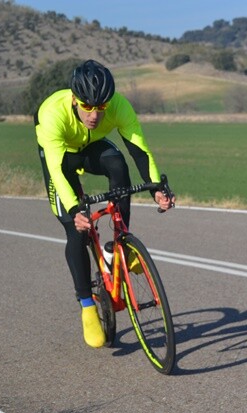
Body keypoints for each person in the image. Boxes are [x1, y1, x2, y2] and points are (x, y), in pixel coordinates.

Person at [34, 59, 174, 348]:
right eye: (87, 107)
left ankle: (119, 244)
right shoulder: (52, 113)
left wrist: (156, 189)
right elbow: (58, 171)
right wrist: (75, 210)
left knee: (119, 164)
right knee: (77, 231)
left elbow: (139, 150)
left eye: (101, 107)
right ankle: (87, 305)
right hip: (61, 156)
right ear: (74, 99)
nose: (95, 115)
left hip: (92, 148)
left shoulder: (119, 106)